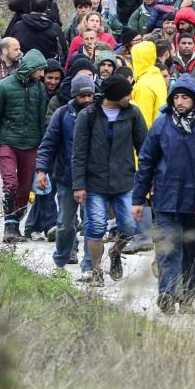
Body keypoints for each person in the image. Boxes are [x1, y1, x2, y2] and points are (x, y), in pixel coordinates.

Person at [131, 74, 195, 314]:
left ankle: (187, 297)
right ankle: (168, 292)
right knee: (168, 248)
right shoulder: (161, 124)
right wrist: (138, 199)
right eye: (177, 97)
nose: (180, 102)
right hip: (166, 198)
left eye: (185, 97)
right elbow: (147, 162)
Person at [72, 75, 147, 284]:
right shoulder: (88, 116)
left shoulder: (133, 113)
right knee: (95, 227)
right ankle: (96, 271)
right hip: (94, 182)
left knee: (129, 227)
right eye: (126, 93)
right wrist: (78, 184)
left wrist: (149, 178)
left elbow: (145, 148)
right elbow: (78, 152)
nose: (130, 97)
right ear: (114, 95)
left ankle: (115, 252)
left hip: (124, 181)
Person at [0, 49, 48, 243]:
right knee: (10, 183)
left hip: (32, 144)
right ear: (30, 68)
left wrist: (43, 148)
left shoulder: (39, 88)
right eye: (40, 70)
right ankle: (8, 227)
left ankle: (15, 223)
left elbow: (41, 119)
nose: (42, 74)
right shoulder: (3, 87)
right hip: (8, 142)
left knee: (24, 188)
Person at [35, 75, 96, 273]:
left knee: (92, 225)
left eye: (90, 95)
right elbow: (48, 144)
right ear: (74, 95)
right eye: (82, 95)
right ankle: (61, 261)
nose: (87, 99)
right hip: (66, 179)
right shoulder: (61, 115)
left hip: (93, 181)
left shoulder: (100, 114)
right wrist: (41, 171)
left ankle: (89, 267)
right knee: (64, 224)